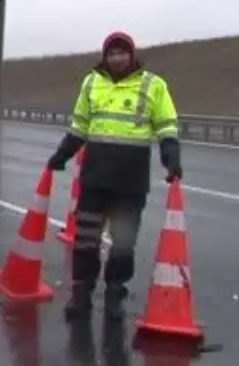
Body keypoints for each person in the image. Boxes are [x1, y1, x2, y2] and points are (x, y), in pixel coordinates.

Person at [46, 31, 182, 321]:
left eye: (122, 53)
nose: (117, 58)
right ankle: (81, 292)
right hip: (95, 178)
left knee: (123, 243)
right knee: (86, 239)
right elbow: (80, 125)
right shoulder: (92, 82)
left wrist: (171, 160)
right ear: (105, 56)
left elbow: (167, 127)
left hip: (130, 181)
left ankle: (114, 293)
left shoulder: (153, 85)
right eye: (112, 53)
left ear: (131, 55)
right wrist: (61, 155)